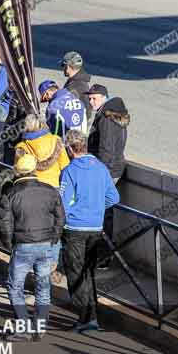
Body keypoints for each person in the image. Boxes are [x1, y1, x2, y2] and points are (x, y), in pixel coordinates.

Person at [0, 154, 65, 342]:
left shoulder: (11, 193)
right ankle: (40, 327)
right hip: (46, 244)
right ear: (36, 169)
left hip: (23, 245)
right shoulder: (50, 190)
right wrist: (54, 239)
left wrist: (9, 244)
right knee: (43, 286)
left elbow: (4, 223)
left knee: (15, 286)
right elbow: (61, 219)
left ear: (17, 171)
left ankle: (24, 326)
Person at [59, 130, 120, 332]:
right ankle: (92, 316)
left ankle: (86, 318)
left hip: (75, 228)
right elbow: (114, 197)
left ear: (69, 149)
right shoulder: (101, 168)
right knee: (89, 274)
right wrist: (96, 208)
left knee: (75, 274)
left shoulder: (69, 171)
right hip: (95, 227)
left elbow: (63, 204)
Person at [86, 85, 129, 182]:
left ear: (104, 97)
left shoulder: (106, 119)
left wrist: (101, 172)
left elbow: (106, 147)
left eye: (94, 98)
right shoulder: (114, 113)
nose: (91, 102)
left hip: (108, 170)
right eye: (89, 99)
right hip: (114, 167)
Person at [14, 114, 70, 188]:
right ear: (43, 124)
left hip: (32, 187)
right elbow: (65, 167)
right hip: (54, 186)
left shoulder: (22, 147)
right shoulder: (56, 141)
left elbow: (19, 172)